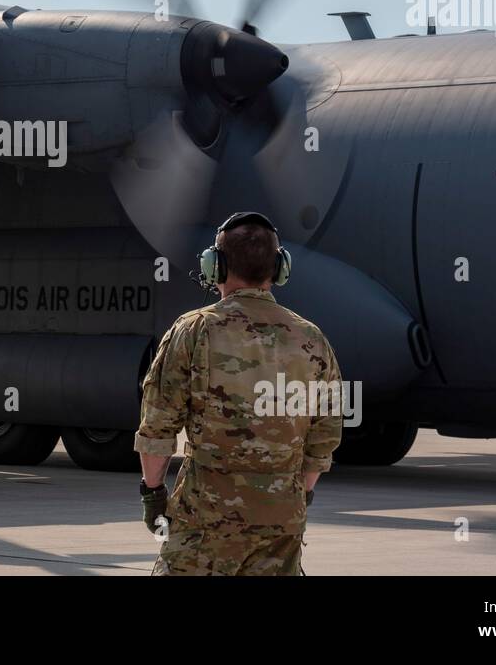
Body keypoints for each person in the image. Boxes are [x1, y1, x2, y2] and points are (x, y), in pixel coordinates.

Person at [134, 211, 343, 576]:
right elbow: (325, 436)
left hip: (205, 520)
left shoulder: (194, 331)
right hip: (281, 522)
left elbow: (158, 427)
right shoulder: (312, 339)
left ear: (215, 266)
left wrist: (154, 497)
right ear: (279, 268)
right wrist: (298, 495)